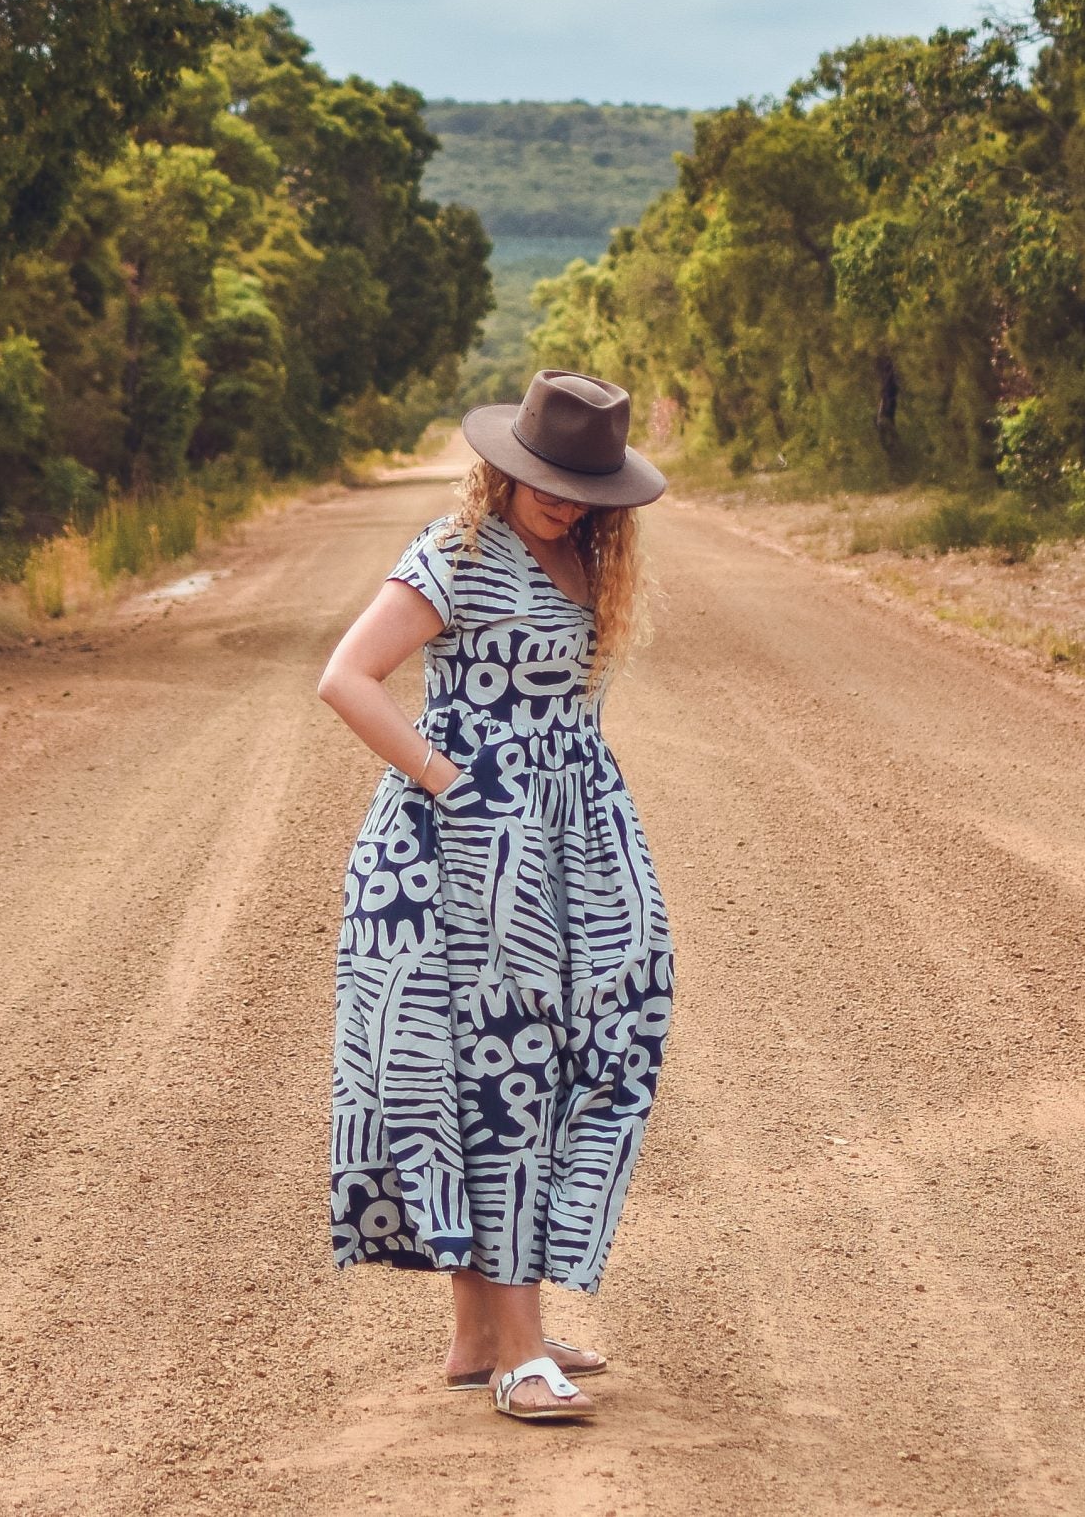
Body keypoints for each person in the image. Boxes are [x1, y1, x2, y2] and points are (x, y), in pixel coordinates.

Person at [317, 370, 675, 1425]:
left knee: (605, 1029)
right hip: (462, 853)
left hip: (572, 844)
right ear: (504, 467)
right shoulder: (456, 551)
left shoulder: (588, 559)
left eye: (584, 484)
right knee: (505, 1065)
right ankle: (516, 1346)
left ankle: (482, 1333)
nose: (563, 498)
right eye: (545, 478)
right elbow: (346, 675)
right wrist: (452, 783)